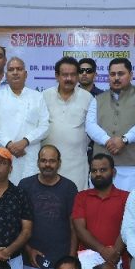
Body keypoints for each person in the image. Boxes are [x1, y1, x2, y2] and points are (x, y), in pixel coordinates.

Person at [71, 153, 130, 269]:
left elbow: (128, 228)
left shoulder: (127, 197)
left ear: (113, 172)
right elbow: (79, 229)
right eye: (94, 170)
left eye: (103, 170)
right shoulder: (81, 197)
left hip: (117, 268)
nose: (98, 174)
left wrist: (113, 258)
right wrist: (103, 251)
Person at [86, 57, 135, 191]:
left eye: (121, 74)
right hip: (102, 168)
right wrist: (107, 141)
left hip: (134, 167)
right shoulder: (98, 99)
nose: (116, 78)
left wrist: (124, 140)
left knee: (132, 202)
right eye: (112, 74)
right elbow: (90, 125)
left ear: (131, 75)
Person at [0, 57, 50, 185]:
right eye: (11, 69)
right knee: (0, 193)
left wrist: (25, 141)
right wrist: (9, 144)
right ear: (6, 74)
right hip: (2, 156)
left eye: (19, 69)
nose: (15, 72)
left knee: (28, 191)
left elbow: (45, 126)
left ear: (26, 74)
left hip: (28, 155)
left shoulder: (37, 97)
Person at [42, 57, 94, 191]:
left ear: (77, 76)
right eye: (65, 75)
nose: (69, 78)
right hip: (48, 164)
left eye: (73, 75)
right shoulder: (44, 96)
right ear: (57, 76)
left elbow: (93, 128)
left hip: (77, 164)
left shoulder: (87, 98)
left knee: (76, 199)